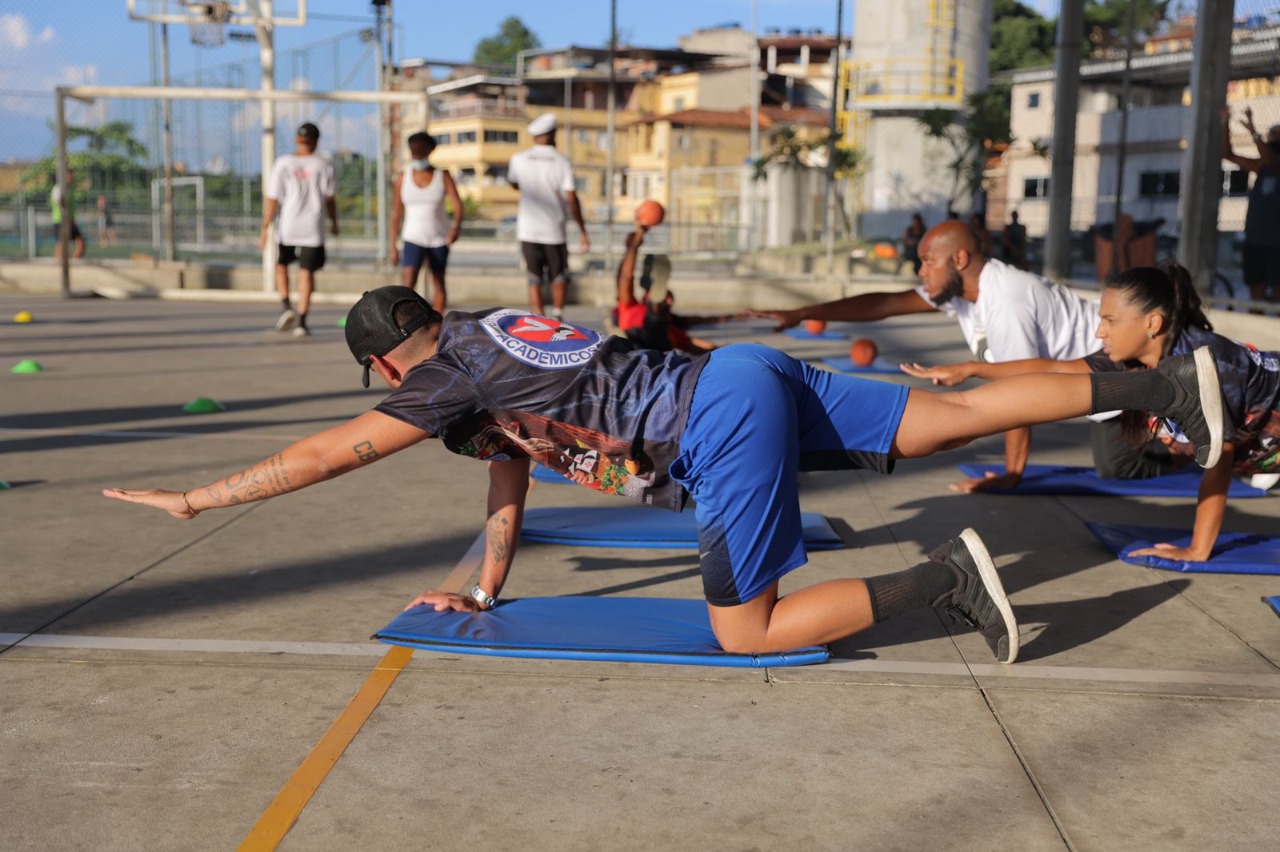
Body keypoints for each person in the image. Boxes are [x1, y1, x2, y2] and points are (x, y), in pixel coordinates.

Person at [103, 285, 1224, 664]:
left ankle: (944, 584)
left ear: (385, 357)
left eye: (378, 377)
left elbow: (320, 455)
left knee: (745, 629)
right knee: (950, 414)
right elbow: (508, 483)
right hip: (740, 375)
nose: (387, 394)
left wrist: (200, 497)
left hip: (709, 423)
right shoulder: (493, 342)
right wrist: (485, 591)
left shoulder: (440, 374)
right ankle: (1163, 390)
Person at [905, 263, 1270, 562]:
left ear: (1152, 324)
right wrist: (972, 369)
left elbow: (1218, 461)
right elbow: (1057, 370)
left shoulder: (1206, 364)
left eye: (1110, 321)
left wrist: (1197, 548)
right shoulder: (1129, 358)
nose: (1099, 331)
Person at [749, 220, 1101, 493]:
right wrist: (802, 312)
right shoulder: (962, 290)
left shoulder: (1006, 301)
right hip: (1091, 385)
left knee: (1124, 457)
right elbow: (885, 304)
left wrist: (1011, 475)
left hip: (1116, 366)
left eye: (928, 261)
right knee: (1116, 462)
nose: (921, 271)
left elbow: (1023, 394)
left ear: (959, 259)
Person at [507, 113, 590, 320]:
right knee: (558, 274)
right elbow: (571, 198)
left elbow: (514, 183)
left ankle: (538, 317)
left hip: (528, 229)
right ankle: (558, 315)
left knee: (534, 276)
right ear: (553, 134)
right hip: (555, 229)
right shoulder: (563, 161)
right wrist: (582, 230)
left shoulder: (519, 159)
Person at [259, 122, 338, 337]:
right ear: (317, 141)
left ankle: (286, 306)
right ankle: (302, 321)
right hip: (313, 225)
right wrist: (334, 222)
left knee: (282, 265)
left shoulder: (283, 163)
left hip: (288, 224)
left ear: (297, 139)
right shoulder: (324, 165)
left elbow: (273, 198)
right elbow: (330, 198)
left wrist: (265, 228)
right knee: (306, 273)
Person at [612, 224, 731, 354]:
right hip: (639, 339)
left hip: (650, 343)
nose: (670, 302)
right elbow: (625, 278)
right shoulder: (631, 306)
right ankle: (654, 305)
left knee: (657, 324)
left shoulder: (669, 324)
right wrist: (632, 247)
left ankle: (653, 303)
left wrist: (728, 351)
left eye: (668, 300)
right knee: (654, 322)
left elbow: (697, 344)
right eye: (667, 299)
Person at [390, 132, 463, 313]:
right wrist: (392, 245)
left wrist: (455, 228)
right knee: (408, 282)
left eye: (421, 151)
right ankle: (407, 324)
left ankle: (438, 326)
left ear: (430, 150)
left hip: (438, 238)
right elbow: (396, 213)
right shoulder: (402, 178)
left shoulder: (442, 176)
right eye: (414, 151)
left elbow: (458, 205)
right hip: (413, 237)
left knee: (438, 282)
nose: (417, 155)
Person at [1222, 106, 1280, 303]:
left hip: (1277, 242)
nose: (1271, 140)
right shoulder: (1261, 166)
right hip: (1256, 239)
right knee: (1255, 290)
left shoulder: (1271, 162)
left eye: (1275, 137)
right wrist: (1225, 123)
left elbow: (1271, 159)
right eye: (1271, 136)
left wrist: (1252, 130)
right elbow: (1227, 155)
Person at [50, 170, 86, 260]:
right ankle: (57, 263)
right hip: (61, 220)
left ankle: (73, 262)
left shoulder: (70, 189)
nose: (72, 177)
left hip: (70, 220)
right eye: (69, 175)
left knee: (80, 243)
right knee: (61, 243)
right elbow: (59, 203)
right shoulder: (58, 188)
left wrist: (72, 220)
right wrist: (65, 217)